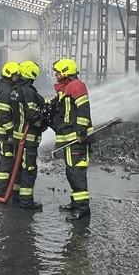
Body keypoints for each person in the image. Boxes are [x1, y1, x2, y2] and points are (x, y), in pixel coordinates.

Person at [51, 58, 93, 221]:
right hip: (70, 139)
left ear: (66, 72)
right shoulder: (66, 87)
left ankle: (83, 209)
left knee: (77, 173)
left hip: (78, 139)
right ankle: (75, 203)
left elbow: (83, 110)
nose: (56, 74)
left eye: (58, 72)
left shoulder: (76, 85)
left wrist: (81, 132)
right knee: (71, 172)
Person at [8, 60, 47, 211]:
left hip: (17, 136)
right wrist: (43, 123)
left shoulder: (15, 90)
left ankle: (16, 197)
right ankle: (26, 202)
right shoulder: (28, 92)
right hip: (28, 137)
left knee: (18, 168)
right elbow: (32, 115)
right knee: (29, 169)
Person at [0, 62, 21, 200]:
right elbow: (4, 115)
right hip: (3, 133)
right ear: (9, 75)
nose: (17, 77)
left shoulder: (2, 86)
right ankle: (1, 192)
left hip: (0, 131)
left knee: (10, 159)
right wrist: (10, 134)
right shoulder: (6, 91)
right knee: (7, 159)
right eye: (15, 75)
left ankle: (11, 191)